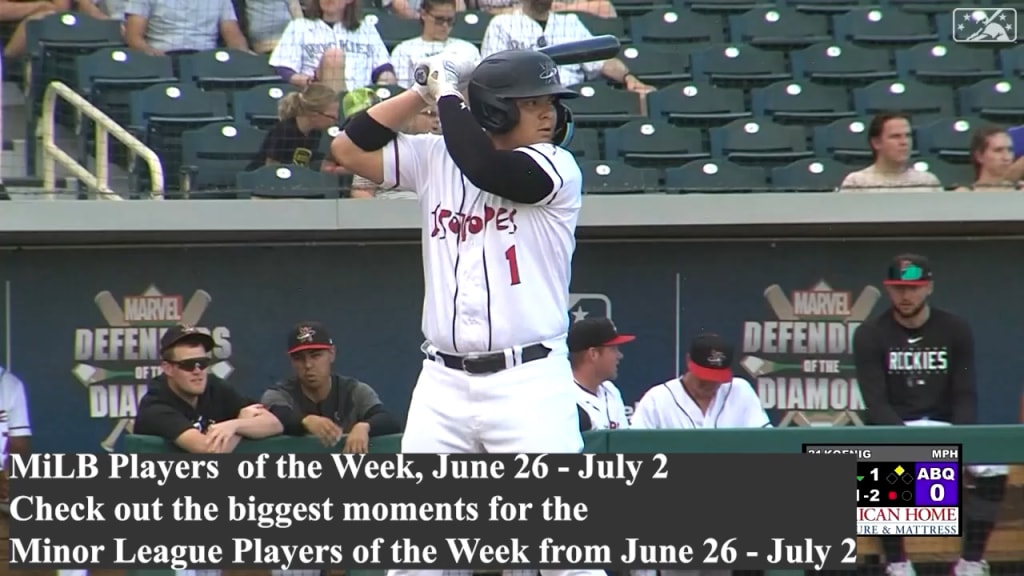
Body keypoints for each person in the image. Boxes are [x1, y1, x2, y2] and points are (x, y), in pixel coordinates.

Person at [332, 49, 605, 576]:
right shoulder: (435, 156)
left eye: (550, 101)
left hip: (528, 382)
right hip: (442, 385)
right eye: (531, 103)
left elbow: (483, 168)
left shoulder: (557, 166)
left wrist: (450, 93)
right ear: (496, 111)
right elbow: (348, 147)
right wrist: (422, 88)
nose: (548, 114)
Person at [852, 254, 1008, 576]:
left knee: (994, 464)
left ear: (929, 287)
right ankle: (897, 562)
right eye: (898, 288)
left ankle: (970, 561)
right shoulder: (870, 333)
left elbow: (965, 392)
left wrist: (959, 443)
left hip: (945, 427)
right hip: (895, 428)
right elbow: (876, 403)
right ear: (888, 290)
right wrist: (914, 447)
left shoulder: (955, 328)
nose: (905, 296)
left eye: (914, 287)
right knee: (879, 465)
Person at [135, 324, 285, 453]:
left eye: (202, 363)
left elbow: (274, 424)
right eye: (188, 365)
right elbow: (208, 451)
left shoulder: (214, 386)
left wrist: (235, 425)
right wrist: (242, 423)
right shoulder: (155, 405)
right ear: (168, 369)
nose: (197, 371)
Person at [261, 321, 401, 454]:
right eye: (299, 358)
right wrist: (305, 421)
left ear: (332, 354)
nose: (308, 365)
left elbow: (388, 420)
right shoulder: (280, 393)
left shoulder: (353, 390)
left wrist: (364, 427)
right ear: (291, 361)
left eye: (316, 356)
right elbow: (275, 414)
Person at [480, 0, 652, 95]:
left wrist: (628, 77)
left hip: (572, 97)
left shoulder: (570, 22)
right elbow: (491, 73)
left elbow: (601, 61)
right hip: (526, 97)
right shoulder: (502, 24)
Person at [632, 333, 770, 430]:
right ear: (688, 361)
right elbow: (634, 447)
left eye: (716, 378)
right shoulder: (657, 400)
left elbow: (766, 442)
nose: (710, 384)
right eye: (704, 377)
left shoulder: (740, 391)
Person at [269, 0, 394, 94]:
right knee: (334, 57)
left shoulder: (366, 29)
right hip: (318, 96)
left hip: (362, 99)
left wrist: (384, 85)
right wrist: (307, 81)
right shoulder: (299, 27)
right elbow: (283, 68)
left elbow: (383, 68)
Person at [246, 83, 344, 173]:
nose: (334, 122)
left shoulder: (315, 133)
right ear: (314, 115)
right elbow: (271, 166)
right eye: (331, 117)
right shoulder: (284, 131)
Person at [838, 113, 943, 193]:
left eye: (908, 135)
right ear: (876, 143)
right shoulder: (857, 182)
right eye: (895, 136)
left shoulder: (927, 182)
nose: (904, 142)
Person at [389, 0, 480, 89]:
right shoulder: (404, 50)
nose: (445, 25)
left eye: (450, 20)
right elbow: (402, 90)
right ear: (423, 14)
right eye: (439, 19)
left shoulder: (468, 49)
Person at [567, 317, 634, 431]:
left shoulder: (611, 390)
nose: (619, 355)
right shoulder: (565, 397)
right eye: (613, 349)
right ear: (593, 354)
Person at [955, 125, 1024, 191]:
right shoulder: (964, 194)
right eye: (998, 150)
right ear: (979, 156)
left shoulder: (1020, 191)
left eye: (1010, 150)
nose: (1007, 157)